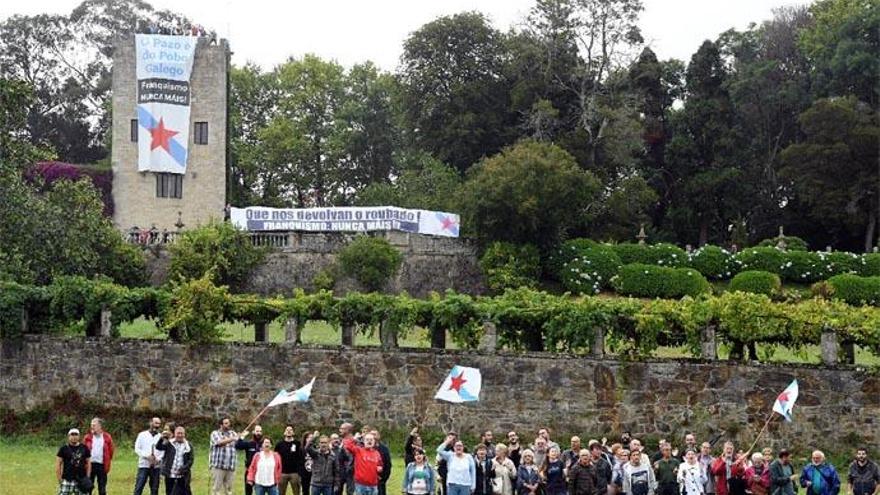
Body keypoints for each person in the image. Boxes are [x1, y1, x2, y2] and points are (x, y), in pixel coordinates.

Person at [155, 425, 194, 495]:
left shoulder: (188, 445)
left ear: (184, 434)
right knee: (170, 492)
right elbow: (159, 447)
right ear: (174, 434)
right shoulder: (169, 443)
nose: (180, 435)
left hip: (182, 476)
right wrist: (162, 438)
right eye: (178, 433)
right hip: (170, 474)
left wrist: (183, 469)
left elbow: (190, 460)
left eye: (182, 433)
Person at [343, 430, 384, 495]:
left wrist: (380, 468)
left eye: (371, 440)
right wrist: (354, 438)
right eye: (367, 439)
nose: (369, 441)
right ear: (364, 441)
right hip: (360, 485)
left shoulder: (377, 453)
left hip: (373, 485)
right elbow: (347, 445)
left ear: (374, 442)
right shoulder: (358, 450)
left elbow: (380, 464)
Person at [83, 417, 114, 495]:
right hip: (90, 465)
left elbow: (111, 451)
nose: (92, 427)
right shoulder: (87, 437)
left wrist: (107, 461)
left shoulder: (107, 437)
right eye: (91, 425)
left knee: (102, 489)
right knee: (88, 487)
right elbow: (82, 450)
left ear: (100, 426)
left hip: (102, 465)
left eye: (94, 425)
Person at [57, 428, 91, 495]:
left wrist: (88, 477)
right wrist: (60, 479)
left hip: (81, 479)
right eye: (72, 435)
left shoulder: (84, 448)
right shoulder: (63, 449)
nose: (74, 437)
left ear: (79, 436)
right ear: (68, 436)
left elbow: (88, 463)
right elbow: (58, 464)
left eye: (76, 435)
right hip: (67, 479)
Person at [135, 417, 164, 495]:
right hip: (144, 465)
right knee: (139, 487)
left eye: (159, 424)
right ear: (150, 423)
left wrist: (158, 459)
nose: (157, 425)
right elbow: (137, 449)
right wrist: (147, 456)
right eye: (155, 423)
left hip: (156, 466)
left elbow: (163, 451)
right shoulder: (142, 435)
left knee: (154, 489)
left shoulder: (161, 436)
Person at [277, 425, 307, 495]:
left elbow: (301, 458)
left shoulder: (298, 444)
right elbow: (276, 458)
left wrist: (300, 472)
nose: (289, 431)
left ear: (293, 433)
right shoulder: (279, 444)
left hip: (295, 473)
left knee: (296, 493)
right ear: (284, 432)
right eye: (287, 430)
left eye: (291, 430)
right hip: (282, 473)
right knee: (280, 493)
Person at [238, 426, 266, 495]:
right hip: (249, 471)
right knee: (248, 491)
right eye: (257, 431)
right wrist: (241, 437)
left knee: (260, 492)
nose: (258, 433)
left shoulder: (264, 444)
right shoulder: (249, 443)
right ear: (253, 432)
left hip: (261, 471)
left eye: (260, 431)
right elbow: (238, 446)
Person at [370, 430, 392, 495]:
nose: (373, 436)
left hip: (380, 480)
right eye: (371, 434)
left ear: (379, 436)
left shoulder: (384, 449)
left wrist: (383, 479)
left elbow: (388, 464)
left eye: (374, 434)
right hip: (368, 481)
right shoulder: (365, 448)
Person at [337, 424, 355, 495]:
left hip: (350, 471)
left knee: (350, 492)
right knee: (337, 491)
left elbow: (352, 457)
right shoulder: (342, 440)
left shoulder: (354, 441)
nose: (340, 430)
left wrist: (350, 469)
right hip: (340, 470)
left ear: (348, 430)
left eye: (342, 428)